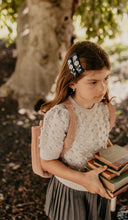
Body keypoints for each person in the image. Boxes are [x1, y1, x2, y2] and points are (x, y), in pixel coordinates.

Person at [39, 41, 115, 220]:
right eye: (93, 82)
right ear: (72, 83)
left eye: (106, 79)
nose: (102, 88)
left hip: (98, 187)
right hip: (71, 192)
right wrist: (83, 179)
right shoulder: (61, 115)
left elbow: (102, 139)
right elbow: (47, 162)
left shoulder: (104, 108)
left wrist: (116, 165)